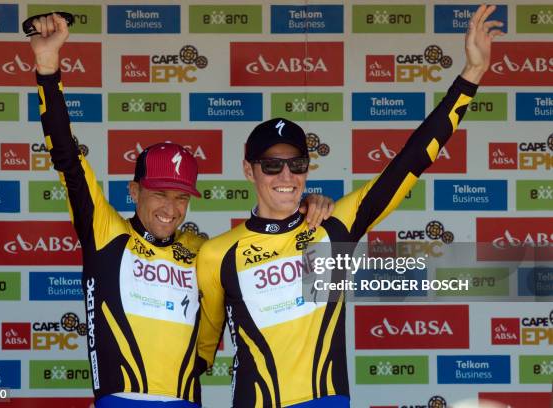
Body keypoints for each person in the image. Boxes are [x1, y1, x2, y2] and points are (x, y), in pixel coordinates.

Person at [196, 5, 504, 408]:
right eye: (272, 164)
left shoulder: (332, 227)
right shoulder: (217, 253)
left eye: (297, 164)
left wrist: (472, 74)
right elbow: (196, 355)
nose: (286, 176)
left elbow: (410, 161)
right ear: (248, 170)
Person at [28, 13, 334, 407]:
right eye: (159, 193)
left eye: (182, 196)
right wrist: (48, 68)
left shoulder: (201, 250)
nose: (171, 209)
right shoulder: (105, 232)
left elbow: (266, 263)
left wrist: (308, 206)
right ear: (134, 191)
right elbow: (68, 158)